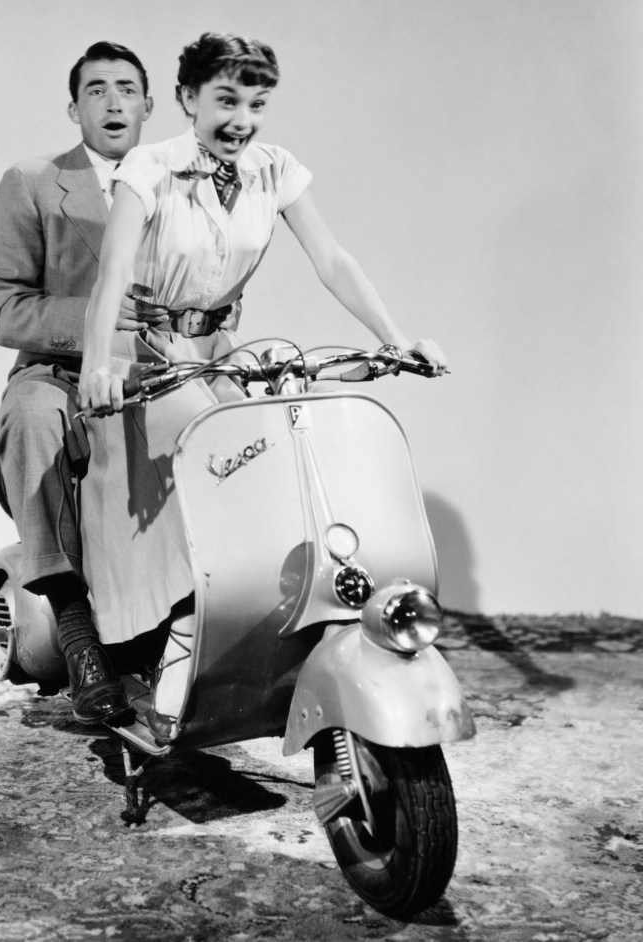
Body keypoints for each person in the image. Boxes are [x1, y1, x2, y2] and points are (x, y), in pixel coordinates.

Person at [78, 32, 447, 742]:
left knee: (280, 462)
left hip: (221, 346)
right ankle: (177, 649)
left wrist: (395, 338)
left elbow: (333, 259)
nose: (241, 117)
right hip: (148, 350)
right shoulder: (147, 170)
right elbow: (113, 273)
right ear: (187, 99)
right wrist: (99, 364)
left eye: (255, 102)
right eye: (225, 99)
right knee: (208, 476)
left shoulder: (273, 170)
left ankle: (276, 639)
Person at [0, 41, 163, 726]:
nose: (113, 101)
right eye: (96, 90)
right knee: (30, 416)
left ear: (150, 104)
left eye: (126, 88)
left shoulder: (180, 183)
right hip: (59, 373)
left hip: (159, 374)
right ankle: (76, 630)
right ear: (73, 107)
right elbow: (4, 308)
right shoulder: (32, 182)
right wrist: (98, 315)